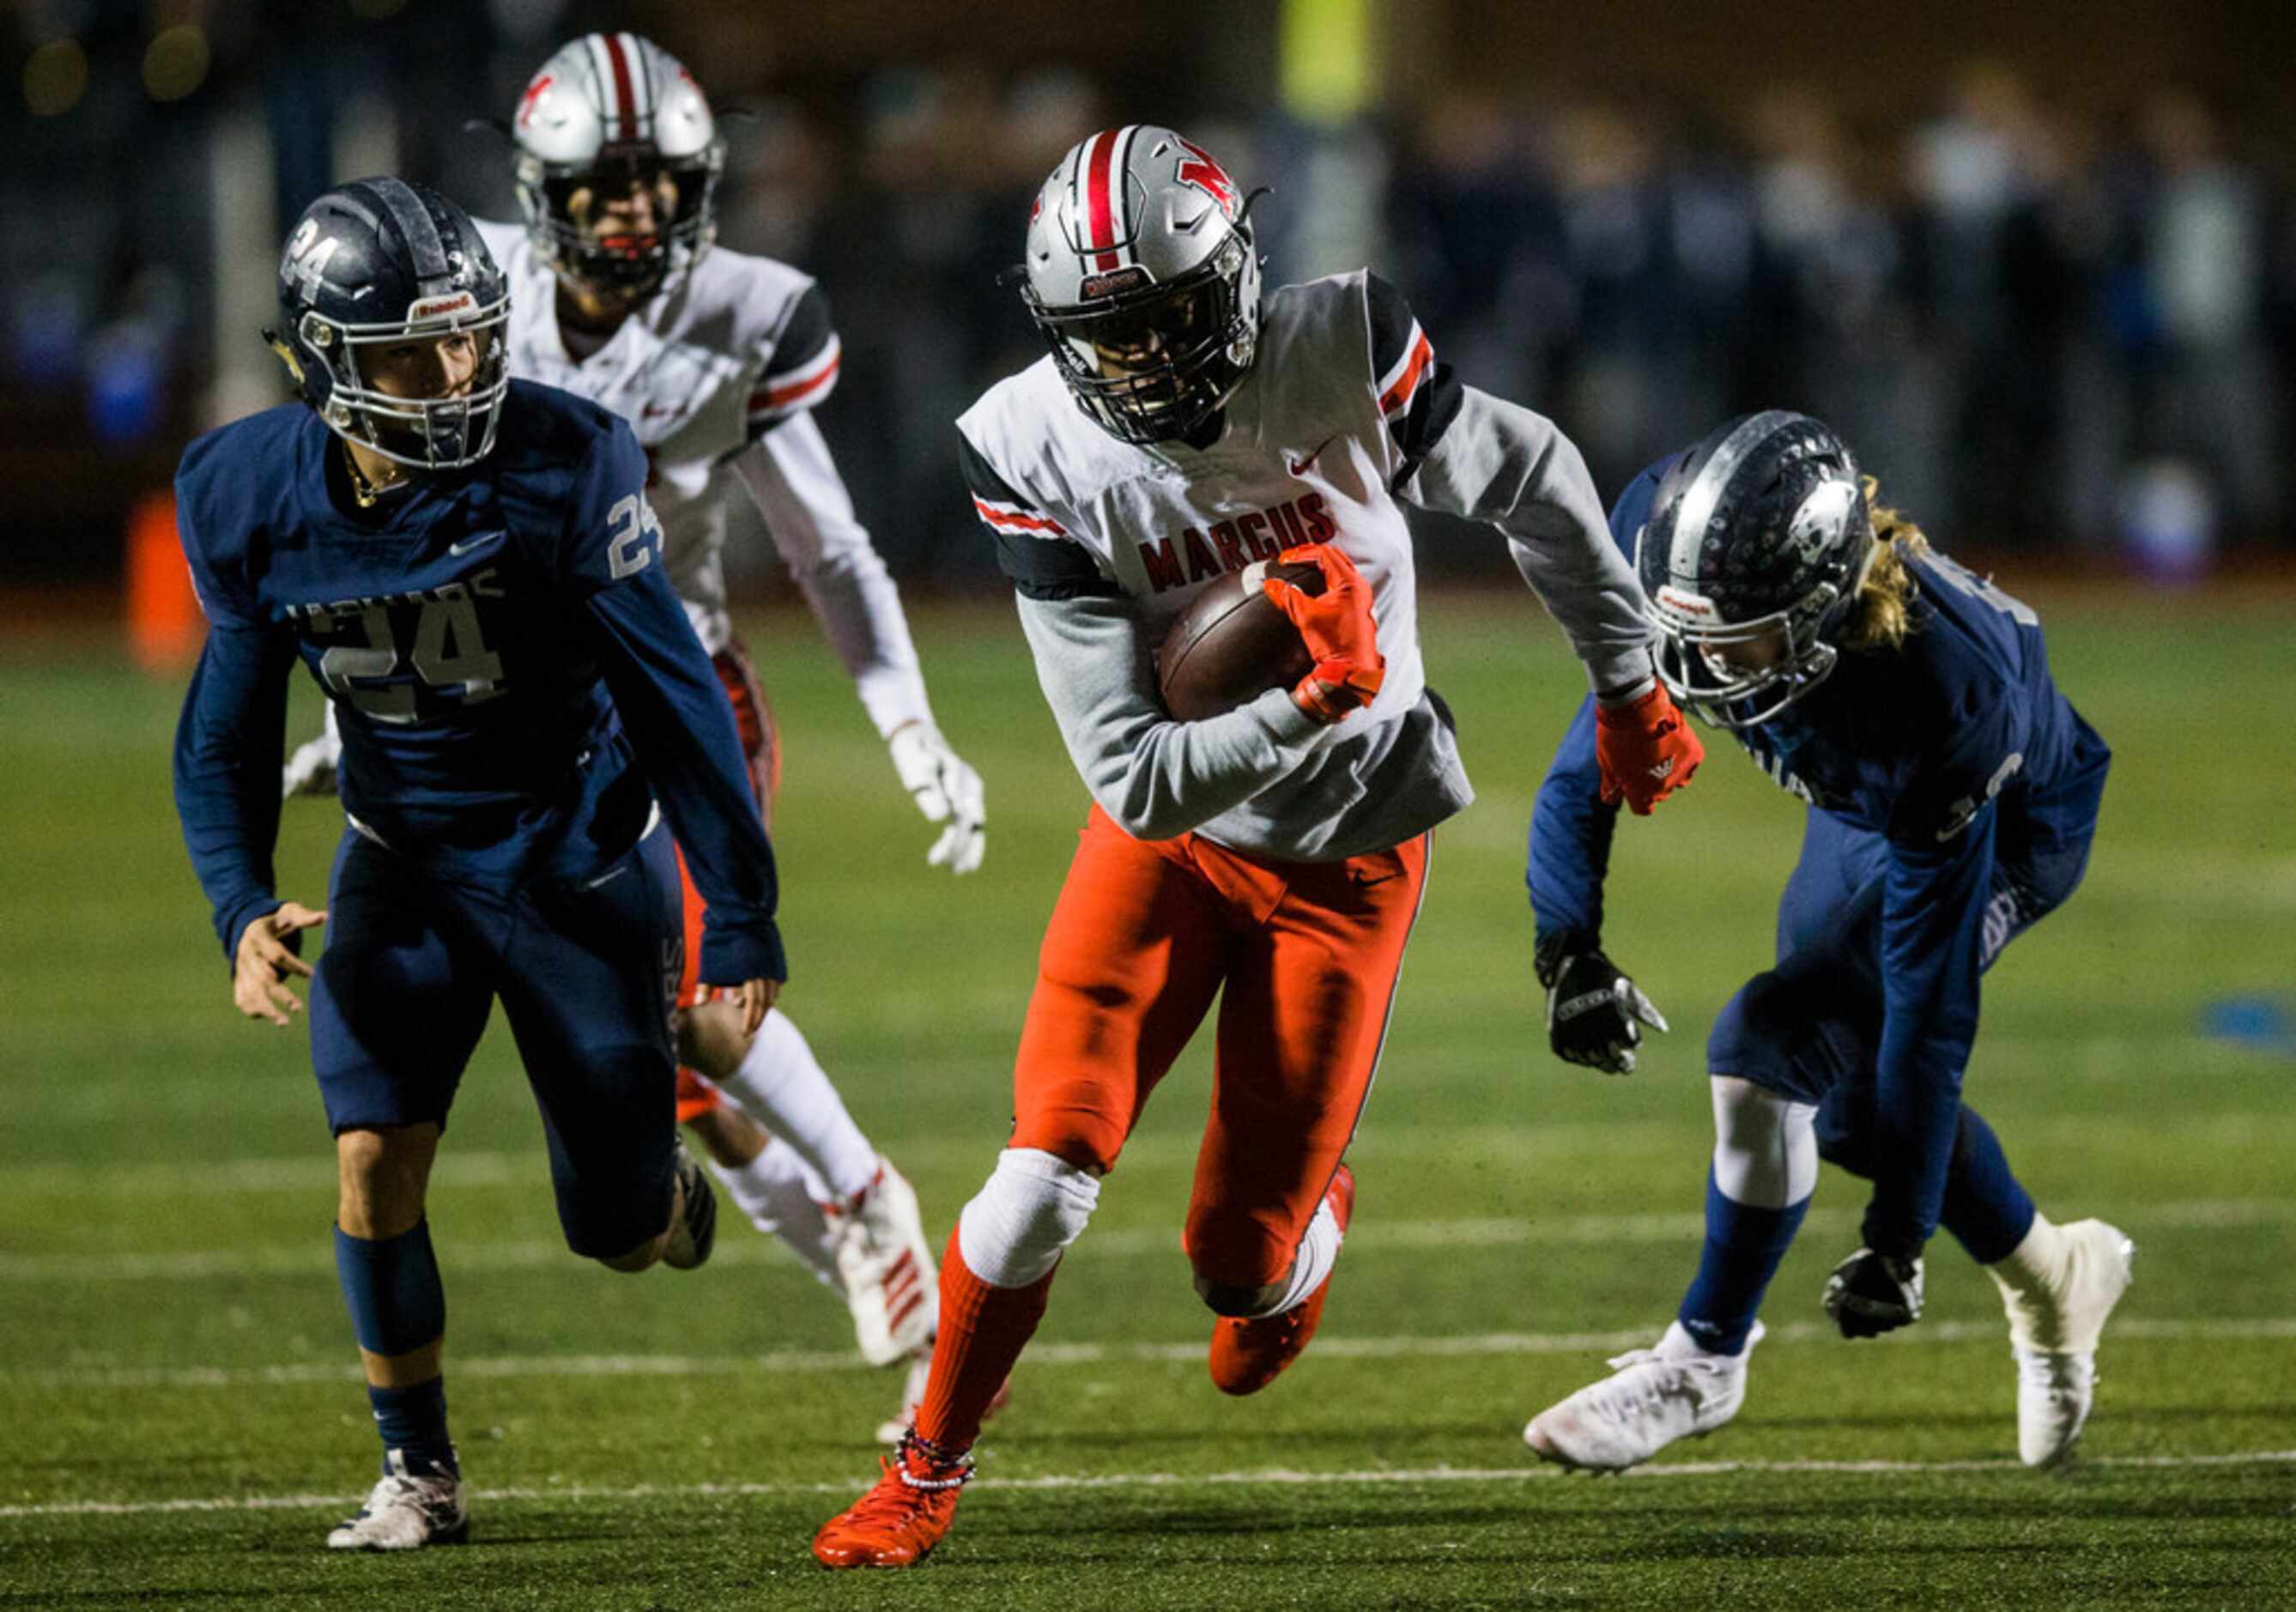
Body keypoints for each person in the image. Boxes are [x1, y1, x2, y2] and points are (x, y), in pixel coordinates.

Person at [809, 124, 1703, 1569]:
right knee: (1040, 1175)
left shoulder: (1341, 340)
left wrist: (1630, 680)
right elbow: (1136, 777)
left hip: (1350, 856)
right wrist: (1310, 694)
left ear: (1235, 275)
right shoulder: (1026, 444)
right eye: (1115, 330)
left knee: (1237, 1262)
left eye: (1174, 312)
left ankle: (1305, 1234)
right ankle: (926, 1464)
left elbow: (1529, 473)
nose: (1153, 357)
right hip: (1166, 848)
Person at [278, 33, 977, 1440]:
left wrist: (908, 723)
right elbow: (385, 518)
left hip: (671, 687)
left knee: (707, 1008)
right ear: (540, 192)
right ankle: (829, 1224)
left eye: (659, 187)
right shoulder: (465, 295)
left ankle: (865, 1200)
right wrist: (368, 709)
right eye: (603, 189)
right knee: (661, 1070)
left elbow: (829, 551)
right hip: (500, 705)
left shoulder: (745, 315)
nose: (633, 217)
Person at [173, 178, 784, 1549]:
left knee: (618, 1233)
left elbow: (679, 695)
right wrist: (234, 899)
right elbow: (222, 725)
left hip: (573, 864)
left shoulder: (564, 459)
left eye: (466, 338)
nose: (453, 375)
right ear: (324, 359)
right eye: (408, 350)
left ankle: (674, 1185)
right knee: (372, 1154)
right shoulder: (250, 495)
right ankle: (421, 1472)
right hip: (403, 859)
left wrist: (739, 909)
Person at [1520, 409, 2133, 1473]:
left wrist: (1896, 1239)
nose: (1693, 660)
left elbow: (1931, 1012)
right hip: (1864, 801)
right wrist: (1567, 947)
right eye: (1684, 624)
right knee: (1844, 1109)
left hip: (2000, 824)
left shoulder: (1941, 701)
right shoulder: (1666, 540)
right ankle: (2054, 1275)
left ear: (1816, 610)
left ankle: (1702, 1359)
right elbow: (1594, 758)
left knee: (1769, 1046)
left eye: (1730, 635)